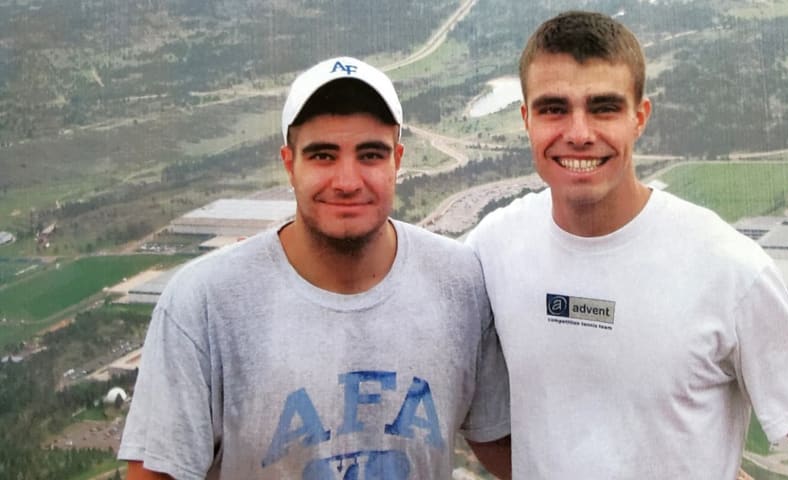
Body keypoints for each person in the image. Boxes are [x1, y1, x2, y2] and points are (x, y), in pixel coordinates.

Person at [465, 10, 788, 479]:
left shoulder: (727, 268)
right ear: (526, 119)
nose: (580, 133)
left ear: (639, 118)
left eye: (604, 107)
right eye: (554, 109)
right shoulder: (493, 247)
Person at [118, 56, 510, 479]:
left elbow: (507, 448)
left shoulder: (459, 283)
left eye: (370, 155)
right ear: (289, 163)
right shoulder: (205, 302)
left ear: (398, 159)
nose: (346, 180)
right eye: (323, 155)